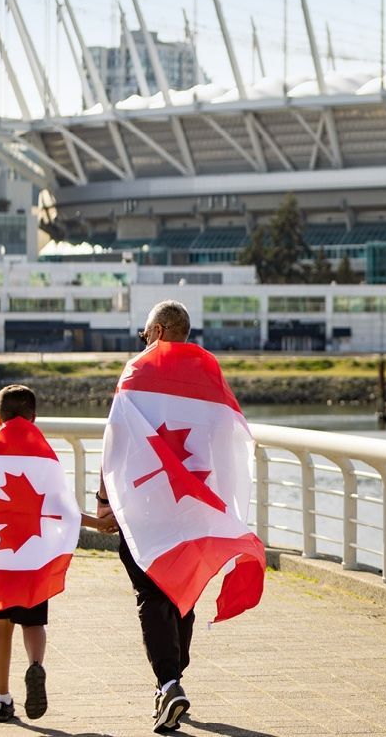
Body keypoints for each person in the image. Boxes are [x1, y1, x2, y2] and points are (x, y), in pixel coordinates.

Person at [97, 299, 267, 734]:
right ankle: (174, 677)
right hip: (197, 502)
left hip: (147, 501)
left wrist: (104, 498)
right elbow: (229, 434)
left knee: (151, 593)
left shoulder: (137, 371)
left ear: (155, 331)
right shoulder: (209, 372)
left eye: (144, 334)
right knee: (182, 591)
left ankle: (169, 681)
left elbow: (116, 439)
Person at [0, 384, 115, 723]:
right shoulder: (44, 458)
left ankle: (1, 698)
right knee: (33, 621)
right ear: (34, 418)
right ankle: (36, 666)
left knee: (2, 626)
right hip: (32, 556)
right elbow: (64, 510)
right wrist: (98, 525)